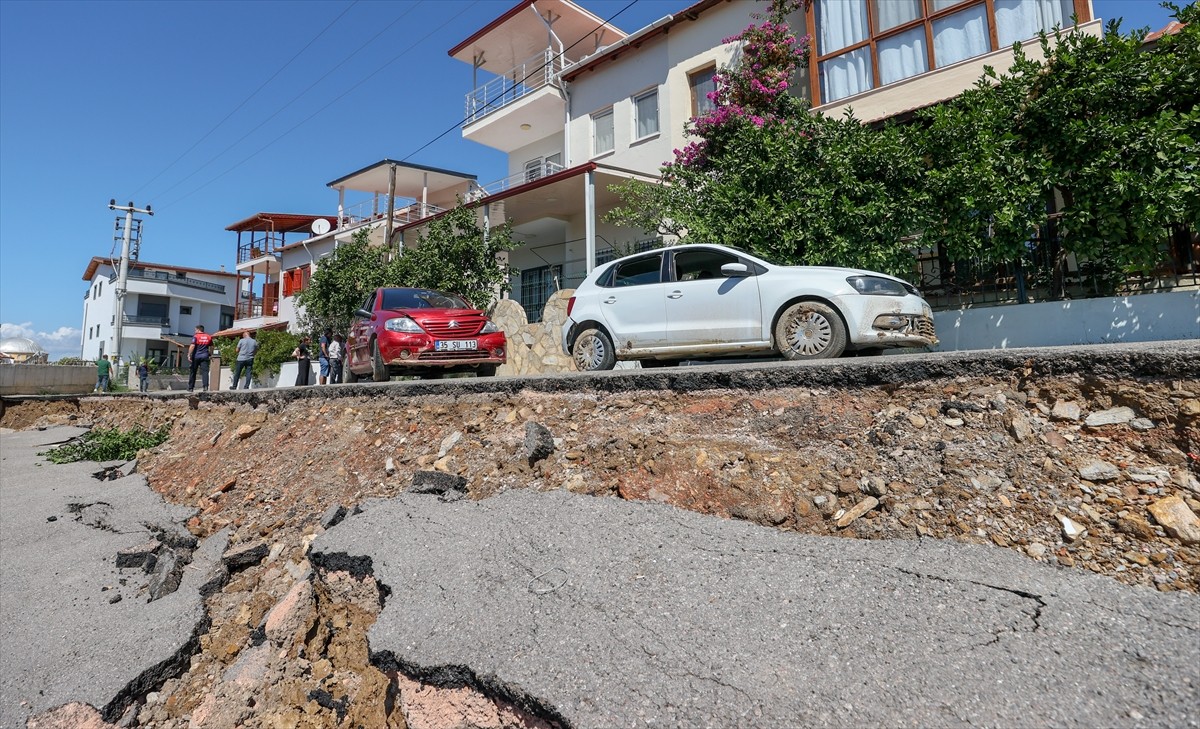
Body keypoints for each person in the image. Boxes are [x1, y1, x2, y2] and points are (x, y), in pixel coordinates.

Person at [187, 324, 212, 392]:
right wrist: (210, 353)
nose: (195, 331)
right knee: (205, 372)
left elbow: (192, 346)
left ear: (198, 330)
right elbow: (212, 346)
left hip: (196, 356)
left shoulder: (196, 336)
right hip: (205, 356)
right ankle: (205, 387)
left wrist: (189, 354)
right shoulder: (208, 336)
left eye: (195, 330)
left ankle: (191, 388)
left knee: (193, 372)